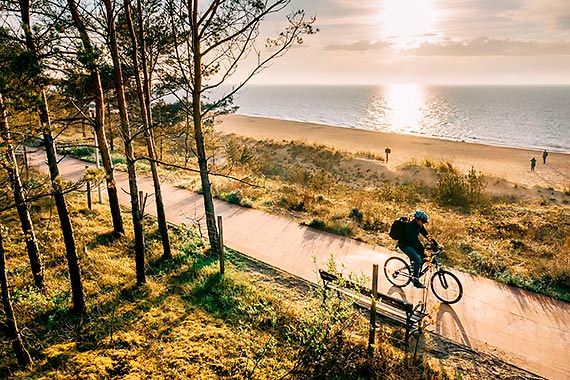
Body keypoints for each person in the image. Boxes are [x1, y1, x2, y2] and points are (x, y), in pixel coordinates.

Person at [397, 210, 432, 288]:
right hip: (405, 245)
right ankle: (415, 281)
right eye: (422, 221)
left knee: (423, 258)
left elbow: (427, 235)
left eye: (424, 222)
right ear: (417, 219)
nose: (423, 223)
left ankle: (414, 269)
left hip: (412, 244)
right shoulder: (410, 227)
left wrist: (437, 244)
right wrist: (423, 251)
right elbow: (416, 241)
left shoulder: (419, 225)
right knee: (418, 260)